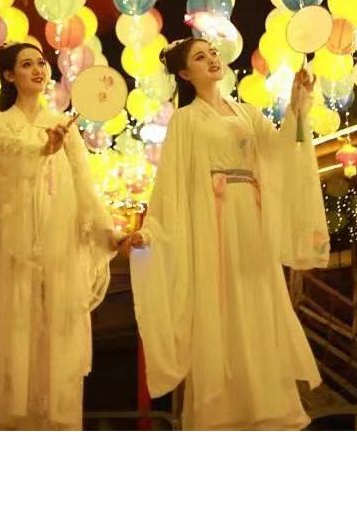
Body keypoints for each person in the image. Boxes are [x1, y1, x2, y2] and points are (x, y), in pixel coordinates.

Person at [124, 38, 330, 431]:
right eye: (200, 57)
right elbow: (170, 184)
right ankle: (222, 413)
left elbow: (281, 151)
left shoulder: (247, 112)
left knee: (258, 298)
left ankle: (268, 405)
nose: (212, 60)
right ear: (185, 73)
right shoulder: (186, 120)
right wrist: (151, 230)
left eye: (213, 53)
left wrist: (297, 105)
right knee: (218, 303)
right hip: (211, 222)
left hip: (250, 219)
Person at [0, 42, 118, 430]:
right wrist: (44, 147)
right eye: (27, 65)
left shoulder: (62, 125)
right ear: (10, 75)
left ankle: (54, 424)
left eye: (41, 63)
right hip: (14, 250)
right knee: (15, 333)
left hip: (58, 250)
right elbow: (12, 158)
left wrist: (106, 232)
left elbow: (84, 185)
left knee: (56, 337)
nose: (38, 69)